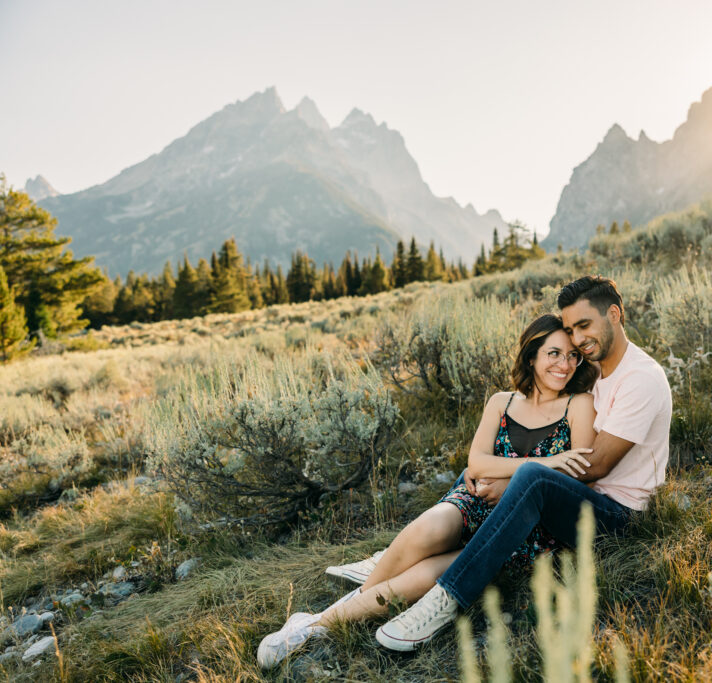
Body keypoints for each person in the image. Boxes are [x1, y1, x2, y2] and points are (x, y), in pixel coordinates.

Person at [257, 313, 599, 668]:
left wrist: (511, 480)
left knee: (427, 574)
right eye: (554, 354)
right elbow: (478, 463)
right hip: (478, 500)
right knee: (428, 527)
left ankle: (317, 626)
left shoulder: (580, 405)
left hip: (523, 527)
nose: (565, 364)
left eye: (573, 356)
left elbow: (575, 476)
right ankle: (332, 611)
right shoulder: (502, 402)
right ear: (532, 356)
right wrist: (540, 465)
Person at [374, 275, 672, 651]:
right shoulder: (595, 368)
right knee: (485, 476)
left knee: (528, 475)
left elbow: (594, 468)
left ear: (614, 314)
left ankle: (446, 598)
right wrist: (488, 471)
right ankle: (401, 554)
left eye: (584, 326)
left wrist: (513, 479)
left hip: (618, 516)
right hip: (576, 500)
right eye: (570, 331)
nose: (577, 340)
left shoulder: (640, 379)